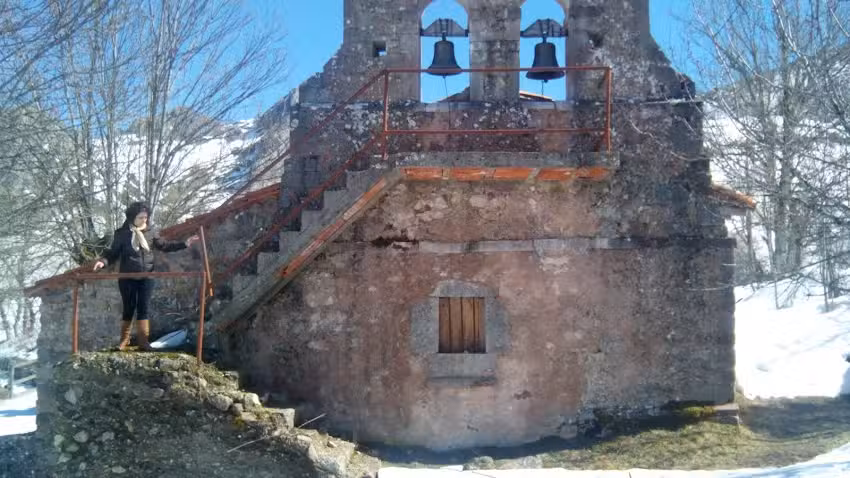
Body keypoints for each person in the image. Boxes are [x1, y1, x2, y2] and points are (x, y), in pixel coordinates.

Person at [93, 202, 199, 351]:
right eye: (141, 217)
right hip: (127, 277)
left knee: (143, 308)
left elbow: (164, 246)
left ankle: (143, 342)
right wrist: (102, 262)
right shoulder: (122, 234)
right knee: (128, 308)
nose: (144, 220)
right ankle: (124, 341)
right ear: (132, 218)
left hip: (147, 276)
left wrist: (184, 244)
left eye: (146, 217)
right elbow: (113, 253)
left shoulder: (151, 231)